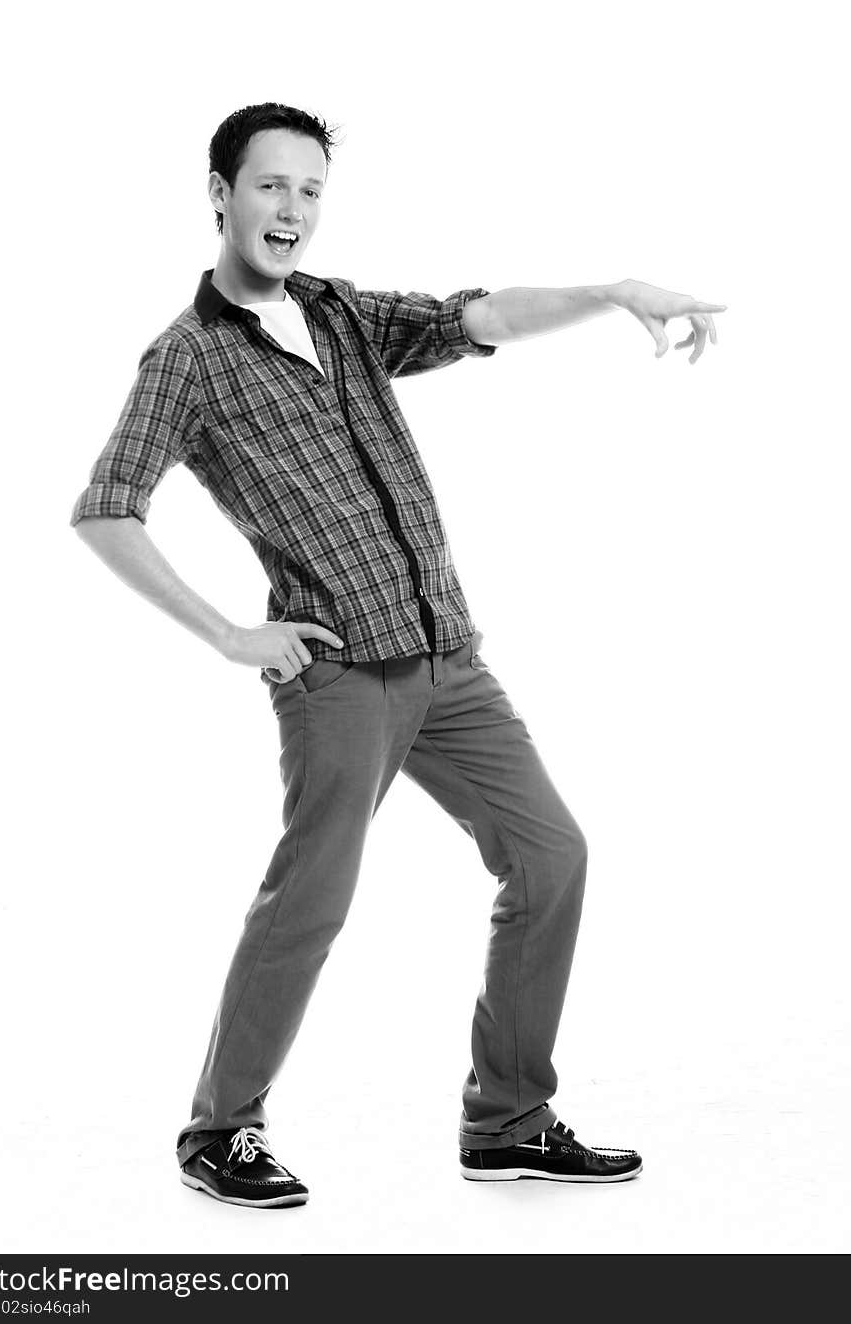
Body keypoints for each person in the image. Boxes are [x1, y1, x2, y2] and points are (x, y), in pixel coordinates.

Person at [70, 101, 726, 1209]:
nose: (293, 211)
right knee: (310, 901)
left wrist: (611, 291)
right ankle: (220, 1131)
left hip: (446, 658)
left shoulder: (338, 314)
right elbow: (105, 508)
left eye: (312, 191)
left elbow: (479, 316)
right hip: (336, 677)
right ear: (221, 193)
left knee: (551, 856)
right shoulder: (186, 359)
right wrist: (235, 633)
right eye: (272, 186)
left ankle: (507, 1119)